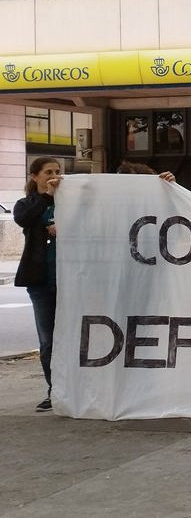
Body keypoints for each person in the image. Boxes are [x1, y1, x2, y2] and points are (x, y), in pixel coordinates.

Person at [15, 158, 62, 412]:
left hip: (69, 280)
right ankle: (54, 390)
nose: (54, 176)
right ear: (35, 176)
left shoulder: (71, 201)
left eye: (57, 172)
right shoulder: (28, 203)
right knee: (48, 340)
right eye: (48, 172)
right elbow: (23, 219)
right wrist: (47, 197)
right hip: (41, 281)